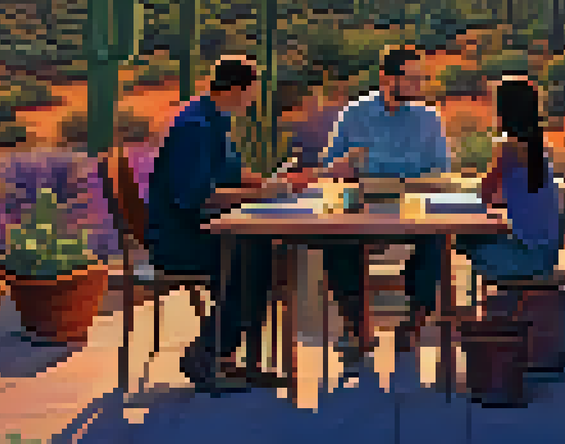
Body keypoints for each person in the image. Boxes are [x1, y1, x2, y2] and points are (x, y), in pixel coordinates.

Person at [145, 55, 291, 393]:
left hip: (199, 229)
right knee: (249, 258)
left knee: (258, 251)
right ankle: (208, 354)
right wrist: (261, 194)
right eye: (252, 92)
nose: (253, 100)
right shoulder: (195, 127)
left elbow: (231, 172)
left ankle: (228, 357)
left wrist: (270, 184)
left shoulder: (213, 119)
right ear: (237, 89)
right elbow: (198, 198)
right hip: (181, 239)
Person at [317, 45, 452, 370]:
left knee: (436, 241)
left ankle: (413, 324)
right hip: (363, 209)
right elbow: (331, 164)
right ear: (387, 79)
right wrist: (346, 167)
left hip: (414, 210)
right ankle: (356, 328)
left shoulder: (429, 119)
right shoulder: (354, 114)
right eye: (412, 78)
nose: (418, 85)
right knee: (335, 242)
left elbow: (440, 169)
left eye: (421, 78)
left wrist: (371, 163)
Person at [455, 75, 565, 286]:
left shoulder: (510, 147)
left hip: (526, 259)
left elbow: (484, 195)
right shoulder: (537, 146)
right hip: (546, 255)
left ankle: (440, 303)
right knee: (472, 237)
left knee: (461, 238)